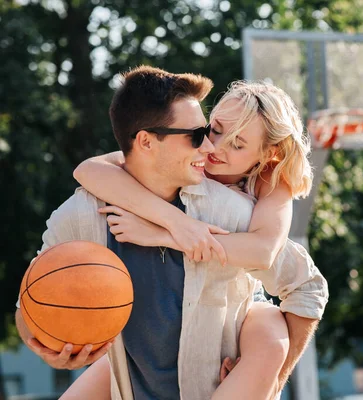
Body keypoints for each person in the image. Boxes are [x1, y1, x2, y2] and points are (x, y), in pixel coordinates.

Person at [15, 66, 328, 400]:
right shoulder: (87, 211)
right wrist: (44, 339)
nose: (212, 147)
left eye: (237, 144)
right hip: (134, 358)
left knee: (270, 337)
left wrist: (274, 383)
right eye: (209, 131)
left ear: (267, 155)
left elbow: (272, 257)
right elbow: (88, 170)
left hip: (241, 310)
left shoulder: (257, 195)